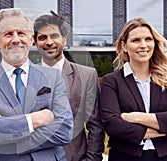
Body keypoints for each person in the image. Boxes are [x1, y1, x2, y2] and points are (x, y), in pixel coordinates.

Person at [0, 8, 73, 161]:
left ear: (31, 39)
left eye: (21, 33)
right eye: (8, 34)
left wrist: (2, 124)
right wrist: (33, 120)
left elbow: (64, 131)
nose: (16, 39)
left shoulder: (53, 77)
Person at [33, 12, 105, 161]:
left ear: (64, 39)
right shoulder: (25, 77)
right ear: (35, 42)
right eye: (42, 38)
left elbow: (96, 126)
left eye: (54, 36)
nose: (49, 42)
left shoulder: (87, 76)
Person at [100, 17, 167, 161]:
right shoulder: (111, 81)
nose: (143, 45)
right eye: (136, 40)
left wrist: (135, 117)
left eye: (148, 39)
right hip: (125, 157)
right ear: (124, 46)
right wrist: (161, 129)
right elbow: (112, 124)